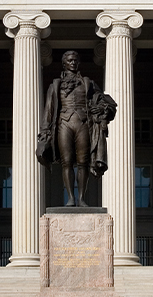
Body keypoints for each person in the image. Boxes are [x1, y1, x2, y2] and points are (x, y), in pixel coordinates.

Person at [36, 50, 117, 206]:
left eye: (75, 60)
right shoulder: (55, 85)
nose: (73, 62)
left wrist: (101, 110)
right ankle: (71, 198)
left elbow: (104, 102)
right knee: (66, 162)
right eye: (70, 60)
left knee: (83, 162)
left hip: (83, 122)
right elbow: (48, 110)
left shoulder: (89, 83)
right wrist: (45, 132)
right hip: (63, 123)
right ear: (64, 63)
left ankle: (81, 198)